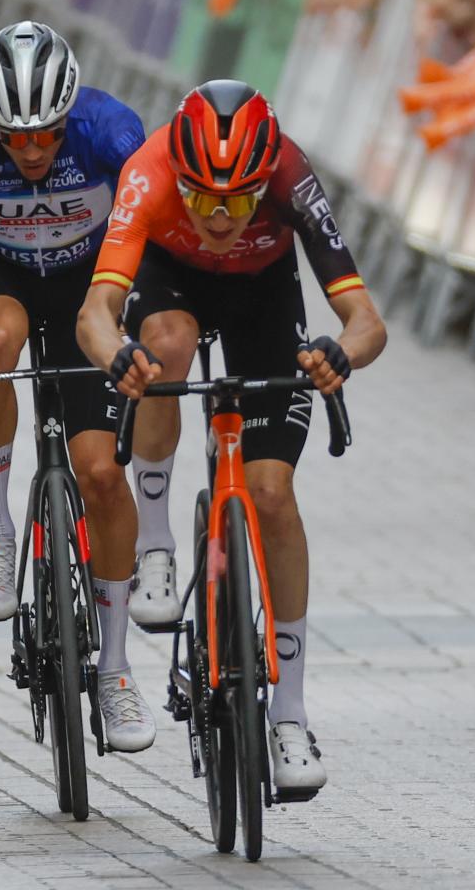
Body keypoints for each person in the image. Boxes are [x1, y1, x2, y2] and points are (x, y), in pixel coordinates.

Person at [76, 80, 388, 794]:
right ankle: (155, 544)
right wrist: (116, 356)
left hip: (261, 294)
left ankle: (289, 713)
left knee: (272, 496)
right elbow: (96, 311)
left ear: (264, 183)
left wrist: (341, 352)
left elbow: (367, 321)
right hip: (172, 284)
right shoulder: (150, 171)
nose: (220, 216)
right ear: (180, 179)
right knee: (165, 343)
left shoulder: (290, 176)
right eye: (205, 199)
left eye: (241, 201)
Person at [0, 21, 157, 752]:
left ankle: (115, 668)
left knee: (101, 478)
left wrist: (127, 338)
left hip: (90, 286)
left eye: (45, 135)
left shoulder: (113, 132)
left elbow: (149, 248)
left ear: (70, 116)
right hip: (4, 279)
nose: (28, 151)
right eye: (12, 136)